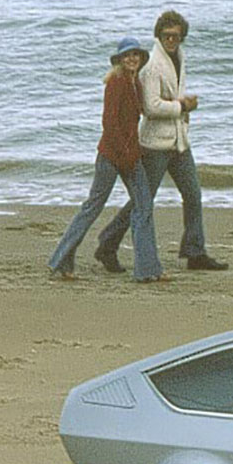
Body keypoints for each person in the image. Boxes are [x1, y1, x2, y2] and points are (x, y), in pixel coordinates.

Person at [94, 9, 228, 272]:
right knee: (143, 201)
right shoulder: (153, 65)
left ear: (182, 37)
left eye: (176, 36)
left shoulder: (178, 57)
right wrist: (182, 106)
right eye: (166, 35)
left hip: (178, 142)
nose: (171, 40)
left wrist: (181, 111)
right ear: (159, 35)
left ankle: (194, 252)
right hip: (155, 145)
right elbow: (151, 107)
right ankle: (108, 243)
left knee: (193, 194)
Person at [48, 38, 167, 284]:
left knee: (144, 206)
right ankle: (61, 260)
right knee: (93, 207)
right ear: (120, 60)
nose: (132, 59)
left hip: (130, 156)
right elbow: (109, 123)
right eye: (127, 56)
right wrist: (125, 155)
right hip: (111, 156)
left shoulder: (136, 83)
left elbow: (143, 113)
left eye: (135, 55)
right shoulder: (115, 82)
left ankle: (147, 269)